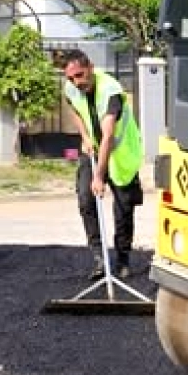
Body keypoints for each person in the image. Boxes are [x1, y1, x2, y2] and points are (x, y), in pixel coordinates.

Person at [63, 50, 144, 280]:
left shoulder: (111, 91)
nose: (76, 82)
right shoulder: (71, 88)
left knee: (123, 209)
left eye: (80, 75)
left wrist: (99, 176)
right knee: (86, 200)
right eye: (71, 78)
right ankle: (100, 259)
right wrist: (85, 136)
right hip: (95, 149)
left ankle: (123, 259)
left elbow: (108, 136)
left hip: (121, 154)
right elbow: (74, 108)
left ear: (91, 67)